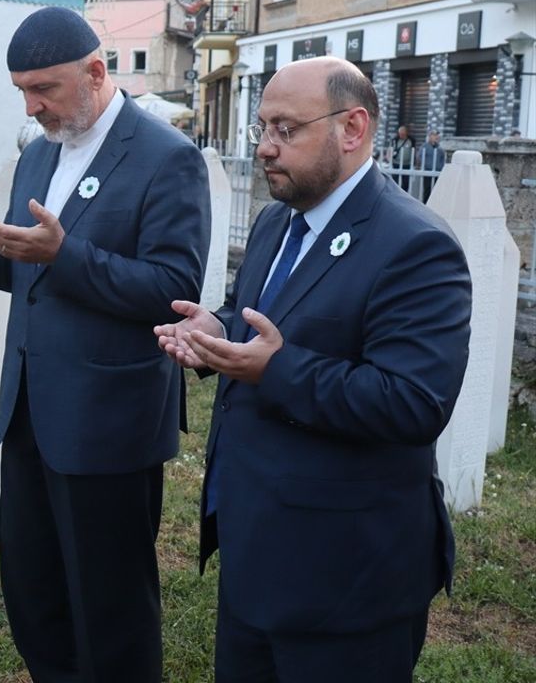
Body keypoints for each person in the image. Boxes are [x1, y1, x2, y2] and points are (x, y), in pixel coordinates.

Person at [154, 57, 470, 682]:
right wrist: (218, 327)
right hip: (258, 549)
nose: (266, 148)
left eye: (286, 130)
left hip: (347, 578)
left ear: (352, 129)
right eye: (262, 128)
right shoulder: (279, 220)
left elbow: (414, 402)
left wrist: (274, 370)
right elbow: (267, 315)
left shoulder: (415, 246)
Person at [0, 7, 210, 681]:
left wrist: (66, 255)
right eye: (21, 91)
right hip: (30, 411)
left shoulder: (166, 159)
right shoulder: (38, 154)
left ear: (95, 71)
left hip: (109, 421)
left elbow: (173, 288)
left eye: (45, 89)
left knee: (111, 608)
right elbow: (35, 271)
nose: (32, 107)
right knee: (35, 595)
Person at [419, 129, 446, 202]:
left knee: (436, 191)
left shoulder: (440, 149)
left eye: (437, 135)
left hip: (437, 172)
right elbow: (421, 157)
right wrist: (428, 166)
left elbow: (442, 159)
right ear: (430, 136)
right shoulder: (424, 147)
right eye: (434, 135)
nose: (436, 137)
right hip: (427, 171)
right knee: (427, 190)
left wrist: (440, 168)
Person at [390, 124, 416, 192]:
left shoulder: (411, 141)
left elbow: (414, 151)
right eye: (400, 133)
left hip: (407, 164)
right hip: (396, 163)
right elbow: (390, 150)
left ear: (406, 133)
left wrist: (414, 162)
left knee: (405, 183)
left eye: (402, 133)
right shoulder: (395, 140)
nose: (401, 135)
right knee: (395, 183)